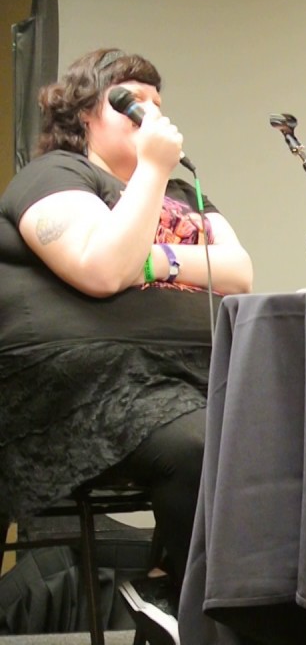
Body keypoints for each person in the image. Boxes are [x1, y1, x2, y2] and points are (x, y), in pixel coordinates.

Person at [0, 48, 253, 643]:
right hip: (101, 387)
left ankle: (208, 600)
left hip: (192, 374)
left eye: (156, 106)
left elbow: (239, 270)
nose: (148, 116)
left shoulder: (186, 192)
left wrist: (154, 257)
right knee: (199, 445)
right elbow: (100, 267)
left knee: (270, 432)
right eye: (128, 103)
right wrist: (152, 175)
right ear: (85, 113)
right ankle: (180, 595)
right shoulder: (56, 175)